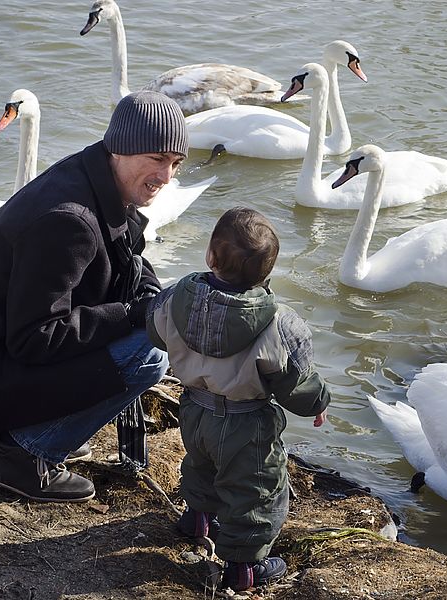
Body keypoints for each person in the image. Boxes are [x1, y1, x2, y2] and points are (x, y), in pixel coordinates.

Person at [0, 90, 190, 502]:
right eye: (156, 159)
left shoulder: (94, 177)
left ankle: (45, 428)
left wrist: (148, 296)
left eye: (174, 163)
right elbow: (36, 337)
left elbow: (128, 255)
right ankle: (21, 452)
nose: (166, 176)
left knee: (146, 325)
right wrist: (132, 314)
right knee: (148, 354)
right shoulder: (70, 221)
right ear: (121, 148)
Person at [146, 207, 331, 592]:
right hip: (246, 422)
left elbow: (155, 330)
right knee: (254, 490)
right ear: (267, 273)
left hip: (194, 409)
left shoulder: (178, 297)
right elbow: (294, 383)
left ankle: (196, 519)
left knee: (200, 464)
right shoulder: (279, 321)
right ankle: (243, 567)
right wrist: (319, 401)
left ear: (210, 256)